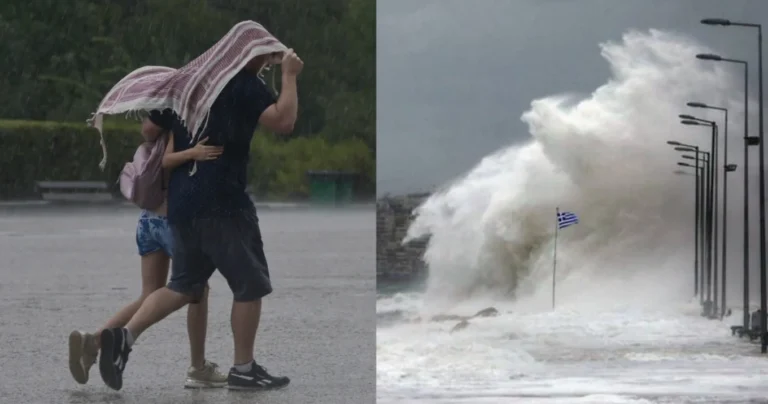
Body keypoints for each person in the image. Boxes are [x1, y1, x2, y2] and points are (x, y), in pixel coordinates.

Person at [97, 49, 303, 391]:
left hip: (181, 204)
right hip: (224, 203)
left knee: (183, 286)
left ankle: (124, 338)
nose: (267, 64)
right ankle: (244, 369)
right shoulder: (244, 84)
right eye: (266, 58)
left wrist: (185, 127)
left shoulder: (187, 83)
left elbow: (150, 128)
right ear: (249, 55)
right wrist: (290, 76)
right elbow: (284, 121)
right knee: (249, 284)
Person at [67, 110, 228, 388]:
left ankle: (94, 341)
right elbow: (168, 162)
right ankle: (198, 367)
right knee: (197, 289)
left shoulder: (149, 143)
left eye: (146, 119)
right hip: (169, 223)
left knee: (149, 295)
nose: (144, 123)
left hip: (147, 222)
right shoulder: (175, 131)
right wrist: (195, 153)